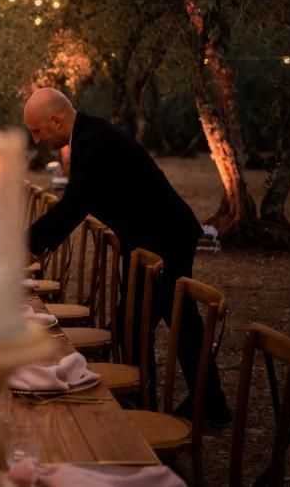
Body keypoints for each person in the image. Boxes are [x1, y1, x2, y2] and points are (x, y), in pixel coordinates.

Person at [23, 88, 230, 421]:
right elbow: (83, 201)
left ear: (56, 120)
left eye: (37, 130)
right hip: (147, 237)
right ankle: (195, 399)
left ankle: (155, 400)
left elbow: (75, 204)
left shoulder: (92, 141)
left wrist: (29, 244)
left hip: (164, 237)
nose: (36, 140)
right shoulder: (89, 135)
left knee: (153, 321)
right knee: (156, 320)